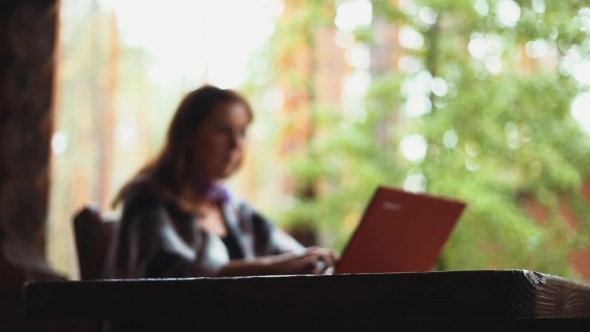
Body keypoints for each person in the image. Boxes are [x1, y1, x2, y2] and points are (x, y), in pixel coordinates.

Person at [105, 85, 338, 279]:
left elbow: (293, 255)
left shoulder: (233, 208)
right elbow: (167, 274)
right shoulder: (148, 195)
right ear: (188, 135)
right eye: (223, 130)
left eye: (243, 133)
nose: (237, 144)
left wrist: (317, 260)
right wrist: (271, 267)